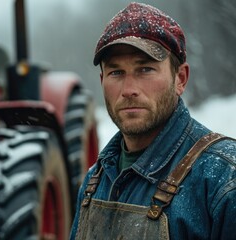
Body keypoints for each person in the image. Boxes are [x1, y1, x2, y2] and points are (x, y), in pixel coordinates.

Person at [69, 2, 236, 240]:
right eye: (116, 72)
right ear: (102, 80)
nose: (128, 90)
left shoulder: (223, 180)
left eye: (145, 69)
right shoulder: (94, 181)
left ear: (180, 78)